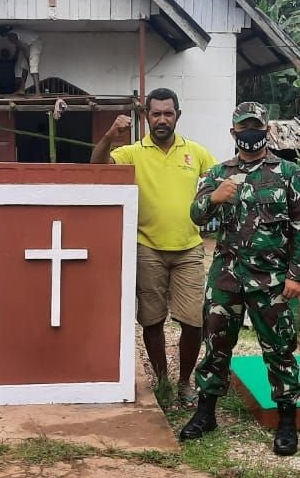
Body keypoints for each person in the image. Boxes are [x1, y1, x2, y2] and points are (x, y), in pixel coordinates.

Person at [178, 102, 300, 456]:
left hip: (271, 281)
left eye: (256, 126)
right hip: (226, 277)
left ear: (266, 130)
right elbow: (195, 215)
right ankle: (206, 413)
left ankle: (287, 421)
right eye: (243, 127)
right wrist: (214, 198)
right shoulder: (218, 174)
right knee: (216, 346)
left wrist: (298, 275)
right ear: (233, 132)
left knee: (280, 349)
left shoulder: (288, 173)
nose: (249, 133)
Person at [91, 88, 217, 405]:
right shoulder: (133, 152)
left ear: (178, 115)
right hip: (147, 247)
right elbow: (97, 166)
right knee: (152, 319)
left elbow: (218, 178)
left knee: (193, 320)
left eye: (168, 113)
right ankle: (162, 383)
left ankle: (185, 382)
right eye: (156, 113)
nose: (162, 119)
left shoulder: (197, 152)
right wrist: (109, 135)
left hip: (189, 247)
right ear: (147, 116)